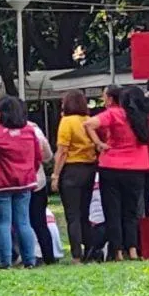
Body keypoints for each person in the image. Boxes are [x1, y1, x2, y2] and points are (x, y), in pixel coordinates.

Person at [84, 86, 149, 261]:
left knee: (112, 211)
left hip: (111, 166)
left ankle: (118, 251)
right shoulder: (145, 116)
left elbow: (88, 124)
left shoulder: (114, 114)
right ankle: (133, 249)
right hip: (137, 168)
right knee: (131, 212)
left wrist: (99, 143)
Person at [0, 97, 41, 269]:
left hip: (0, 185)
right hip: (25, 183)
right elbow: (37, 157)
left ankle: (5, 262)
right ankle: (29, 260)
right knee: (23, 222)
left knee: (2, 223)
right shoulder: (29, 130)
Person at [51, 90, 97, 264]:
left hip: (72, 169)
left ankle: (76, 254)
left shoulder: (66, 121)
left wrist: (55, 175)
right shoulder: (88, 120)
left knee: (73, 215)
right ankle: (91, 251)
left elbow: (62, 150)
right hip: (89, 168)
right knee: (85, 213)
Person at [27, 119, 56, 265]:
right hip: (37, 181)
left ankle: (30, 256)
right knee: (40, 222)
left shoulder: (3, 132)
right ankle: (48, 256)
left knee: (22, 222)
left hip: (18, 184)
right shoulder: (34, 130)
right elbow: (48, 156)